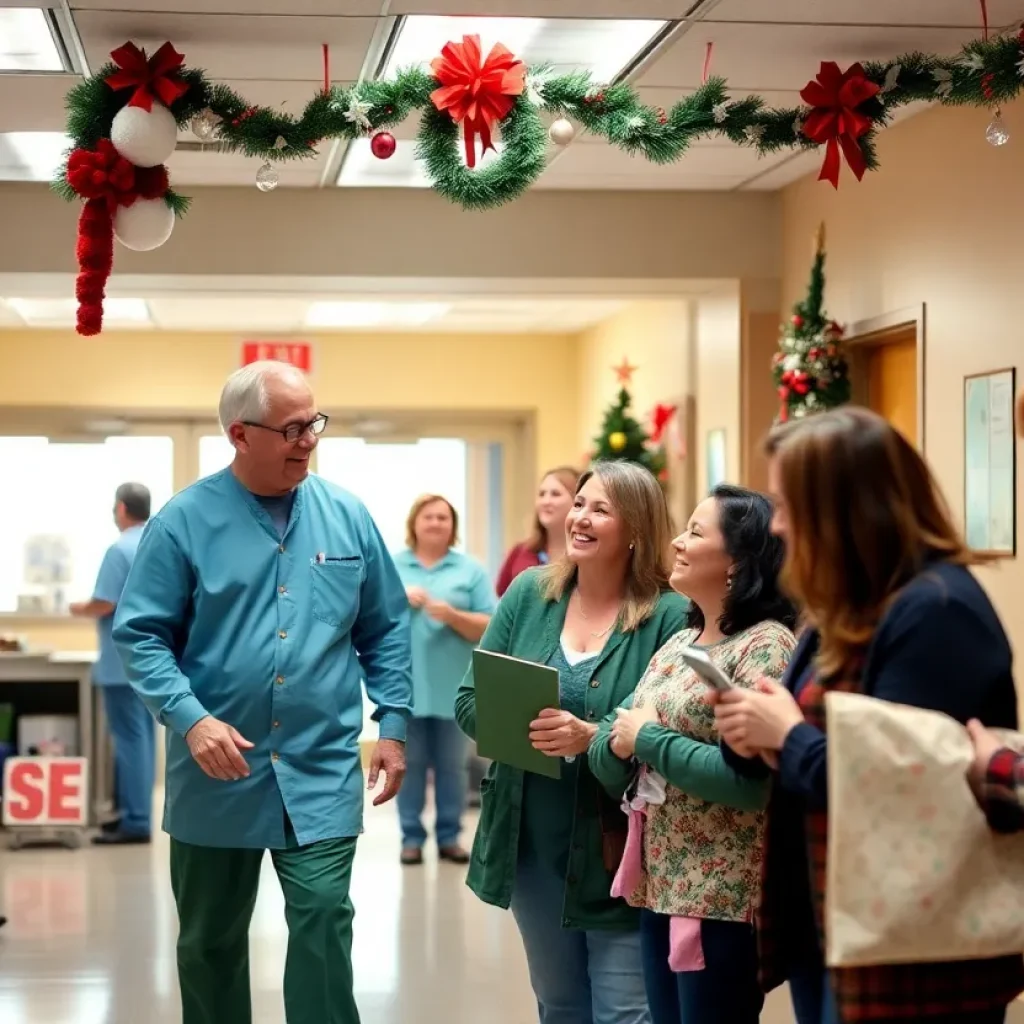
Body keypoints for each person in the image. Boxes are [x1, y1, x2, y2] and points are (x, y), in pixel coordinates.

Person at [112, 360, 413, 1024]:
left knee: (324, 922)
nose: (308, 440)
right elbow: (140, 636)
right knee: (210, 943)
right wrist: (191, 720)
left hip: (321, 763)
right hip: (216, 770)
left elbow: (385, 627)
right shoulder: (182, 523)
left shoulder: (348, 517)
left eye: (314, 424)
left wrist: (392, 724)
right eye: (292, 428)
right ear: (240, 434)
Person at [713, 406, 1024, 1024]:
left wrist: (788, 736)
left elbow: (906, 786)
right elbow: (812, 737)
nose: (776, 526)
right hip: (832, 923)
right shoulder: (843, 604)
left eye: (787, 504)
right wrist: (748, 732)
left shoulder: (938, 611)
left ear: (844, 509)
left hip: (914, 947)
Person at [456, 460, 689, 1024]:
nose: (579, 518)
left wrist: (593, 737)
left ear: (636, 527)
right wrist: (526, 728)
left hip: (626, 846)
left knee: (625, 1010)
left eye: (600, 509)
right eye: (579, 503)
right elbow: (469, 703)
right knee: (560, 1004)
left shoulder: (671, 614)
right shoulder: (529, 594)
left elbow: (673, 722)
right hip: (533, 842)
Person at [590, 485, 797, 1024]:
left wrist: (648, 741)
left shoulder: (765, 646)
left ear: (737, 563)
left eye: (696, 533)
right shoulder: (681, 642)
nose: (677, 542)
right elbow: (613, 741)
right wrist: (618, 747)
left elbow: (750, 783)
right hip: (663, 885)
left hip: (719, 898)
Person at [393, 493, 494, 866]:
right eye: (428, 516)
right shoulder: (392, 567)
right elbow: (368, 615)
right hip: (406, 689)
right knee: (409, 767)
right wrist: (397, 598)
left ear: (453, 527)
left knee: (453, 769)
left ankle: (450, 837)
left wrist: (452, 615)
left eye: (443, 517)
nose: (436, 523)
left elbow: (490, 624)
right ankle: (411, 838)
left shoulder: (470, 570)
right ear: (414, 524)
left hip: (455, 690)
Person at [71, 482, 155, 845]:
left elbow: (104, 603)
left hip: (122, 664)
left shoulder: (119, 549)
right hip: (153, 662)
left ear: (121, 509)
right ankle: (135, 812)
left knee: (129, 742)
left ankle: (135, 821)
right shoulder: (155, 544)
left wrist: (77, 608)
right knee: (144, 741)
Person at [496, 466, 579, 597]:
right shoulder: (520, 551)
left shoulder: (586, 556)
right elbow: (502, 596)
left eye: (555, 494)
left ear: (578, 502)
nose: (545, 501)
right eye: (541, 494)